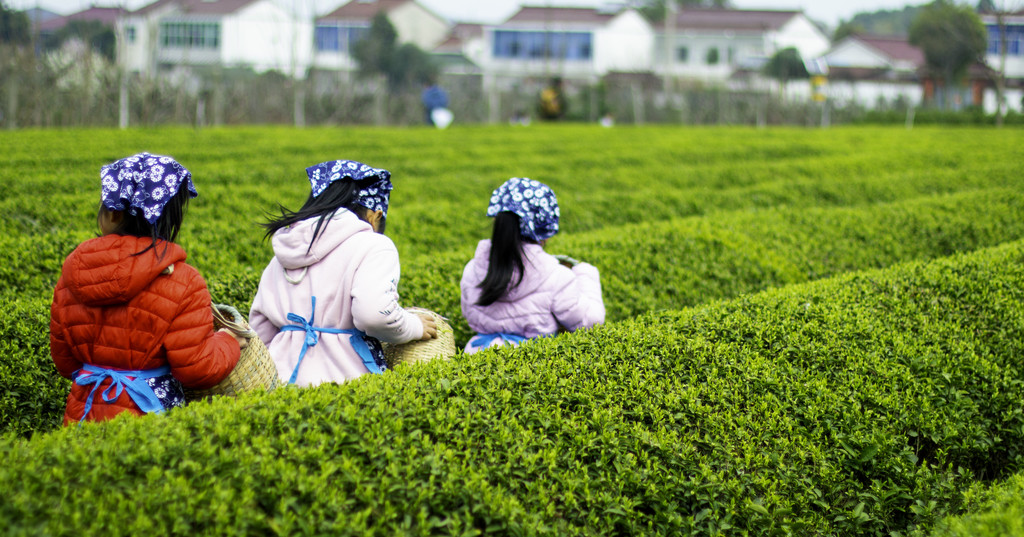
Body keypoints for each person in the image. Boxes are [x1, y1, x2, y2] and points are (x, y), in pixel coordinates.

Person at [50, 152, 245, 425]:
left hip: (83, 414)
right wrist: (228, 341)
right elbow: (196, 369)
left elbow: (65, 363)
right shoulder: (184, 281)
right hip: (150, 420)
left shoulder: (72, 275)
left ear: (112, 214)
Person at [250, 159, 437, 387]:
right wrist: (413, 326)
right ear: (375, 215)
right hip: (345, 382)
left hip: (281, 380)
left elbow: (260, 328)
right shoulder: (373, 245)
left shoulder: (282, 255)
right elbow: (375, 315)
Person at [460, 177, 605, 354]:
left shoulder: (472, 269)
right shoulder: (556, 276)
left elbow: (469, 314)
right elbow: (589, 323)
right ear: (545, 229)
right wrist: (586, 275)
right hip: (530, 365)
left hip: (478, 355)